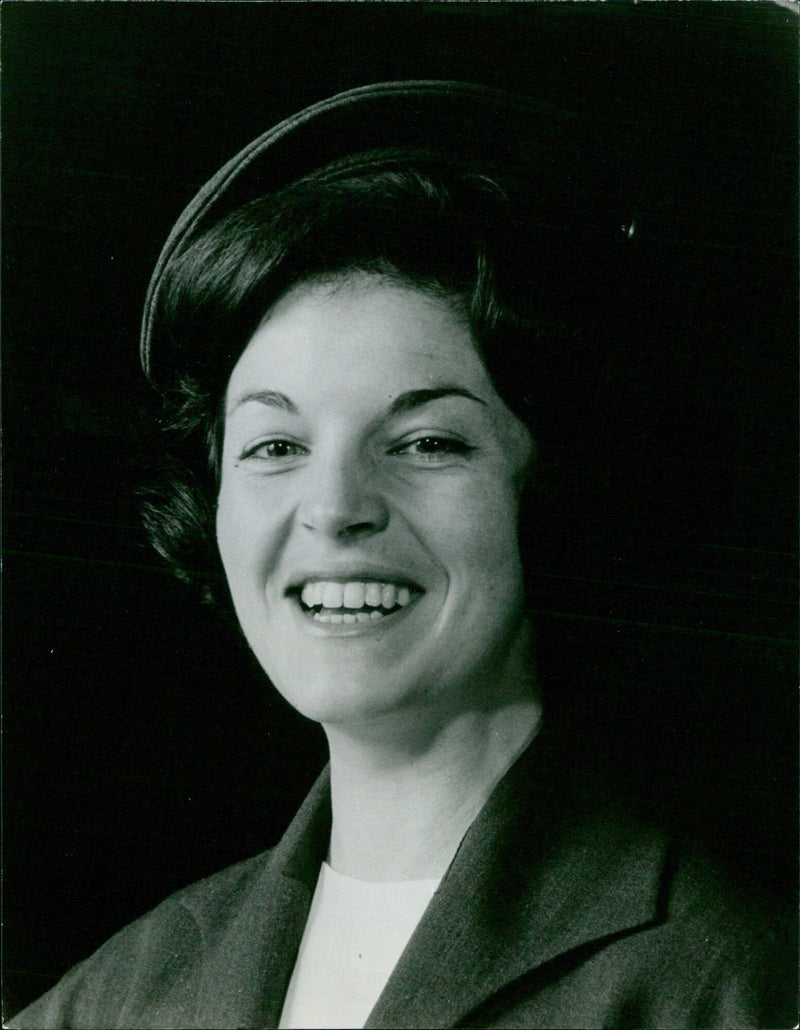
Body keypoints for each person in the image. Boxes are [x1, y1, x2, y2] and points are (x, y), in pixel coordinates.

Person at [10, 81, 795, 1030]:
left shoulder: (732, 983)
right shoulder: (113, 1001)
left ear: (549, 492)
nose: (334, 510)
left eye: (427, 443)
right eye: (274, 448)